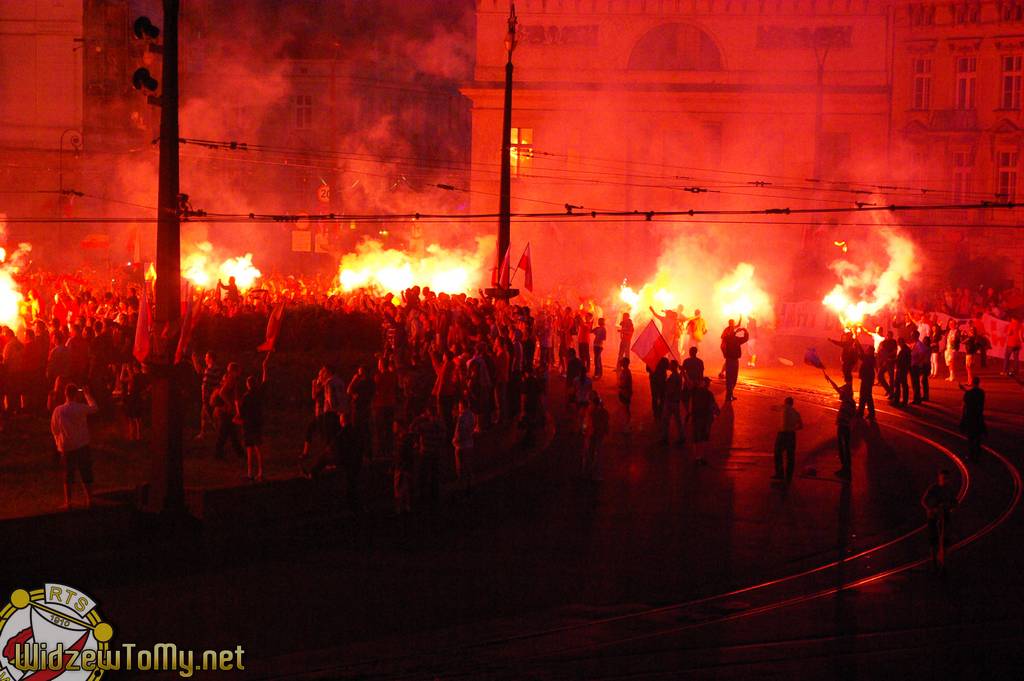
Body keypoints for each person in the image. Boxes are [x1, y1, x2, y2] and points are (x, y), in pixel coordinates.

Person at [50, 383, 99, 510]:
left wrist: (59, 444)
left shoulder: (58, 410)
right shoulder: (80, 408)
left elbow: (54, 429)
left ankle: (69, 502)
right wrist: (87, 394)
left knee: (68, 474)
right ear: (76, 394)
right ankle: (90, 499)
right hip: (82, 444)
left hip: (67, 447)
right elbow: (94, 408)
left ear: (65, 394)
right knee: (86, 472)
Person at [238, 353, 271, 483]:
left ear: (248, 385)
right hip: (257, 424)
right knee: (257, 449)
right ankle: (259, 472)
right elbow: (265, 381)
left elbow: (241, 412)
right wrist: (264, 367)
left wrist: (238, 417)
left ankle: (251, 473)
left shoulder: (246, 397)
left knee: (250, 450)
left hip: (248, 425)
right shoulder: (259, 393)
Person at [921, 469, 957, 574]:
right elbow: (923, 501)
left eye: (947, 478)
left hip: (945, 517)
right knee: (934, 541)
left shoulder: (949, 489)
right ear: (939, 478)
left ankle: (943, 563)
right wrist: (931, 509)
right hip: (933, 517)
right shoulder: (933, 488)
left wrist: (950, 506)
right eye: (943, 478)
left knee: (945, 541)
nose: (945, 480)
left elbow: (955, 502)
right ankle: (934, 563)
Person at [823, 371, 856, 481]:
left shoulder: (848, 402)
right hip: (845, 426)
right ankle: (846, 469)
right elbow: (837, 388)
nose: (840, 395)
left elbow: (839, 390)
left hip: (844, 426)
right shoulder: (850, 399)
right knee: (844, 447)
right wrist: (830, 380)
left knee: (843, 448)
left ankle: (845, 469)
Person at [689, 377, 719, 465]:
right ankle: (699, 457)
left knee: (698, 438)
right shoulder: (708, 394)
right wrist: (717, 412)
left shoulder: (695, 392)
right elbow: (713, 405)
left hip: (697, 418)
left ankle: (697, 457)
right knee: (702, 438)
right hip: (704, 419)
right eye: (708, 383)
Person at [773, 396, 803, 483]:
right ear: (792, 404)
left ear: (785, 402)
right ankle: (789, 476)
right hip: (792, 435)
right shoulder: (796, 413)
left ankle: (780, 473)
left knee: (778, 453)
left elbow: (774, 408)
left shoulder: (784, 407)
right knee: (790, 456)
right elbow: (801, 426)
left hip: (783, 434)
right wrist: (793, 428)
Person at [581, 392, 610, 481]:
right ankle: (597, 474)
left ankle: (586, 472)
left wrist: (584, 431)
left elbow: (586, 424)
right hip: (599, 435)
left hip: (591, 435)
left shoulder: (590, 412)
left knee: (589, 453)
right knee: (598, 453)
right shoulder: (604, 412)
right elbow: (606, 424)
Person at [720, 320, 749, 401]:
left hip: (734, 360)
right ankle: (728, 396)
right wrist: (743, 331)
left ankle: (730, 395)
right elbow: (725, 339)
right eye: (732, 328)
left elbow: (745, 338)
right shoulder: (728, 338)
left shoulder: (735, 339)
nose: (733, 328)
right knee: (730, 379)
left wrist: (744, 331)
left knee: (733, 379)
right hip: (730, 360)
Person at [959, 376, 986, 461]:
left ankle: (971, 455)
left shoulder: (968, 394)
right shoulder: (982, 393)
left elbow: (965, 405)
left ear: (972, 383)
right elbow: (974, 395)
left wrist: (962, 419)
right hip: (979, 417)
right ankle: (977, 454)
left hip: (970, 417)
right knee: (978, 437)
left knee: (970, 438)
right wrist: (965, 390)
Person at [452, 398, 475, 495]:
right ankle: (469, 485)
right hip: (469, 444)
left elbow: (459, 432)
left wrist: (454, 441)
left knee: (460, 468)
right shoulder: (471, 415)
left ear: (462, 405)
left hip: (461, 446)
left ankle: (462, 488)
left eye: (459, 405)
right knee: (468, 466)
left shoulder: (461, 418)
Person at [661, 360, 685, 446]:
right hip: (675, 401)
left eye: (671, 365)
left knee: (666, 420)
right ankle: (681, 437)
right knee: (677, 420)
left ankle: (665, 438)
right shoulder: (677, 376)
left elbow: (670, 390)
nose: (669, 366)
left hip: (671, 401)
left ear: (674, 366)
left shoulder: (674, 377)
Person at [910, 330, 930, 404]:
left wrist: (918, 362)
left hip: (915, 366)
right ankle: (917, 398)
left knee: (916, 382)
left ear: (916, 336)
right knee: (914, 382)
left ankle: (917, 399)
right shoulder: (915, 344)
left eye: (912, 335)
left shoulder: (919, 344)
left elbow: (923, 353)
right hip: (913, 365)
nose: (911, 336)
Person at [856, 344, 876, 419]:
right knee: (863, 395)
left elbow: (862, 355)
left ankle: (871, 413)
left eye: (868, 350)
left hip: (868, 379)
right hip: (866, 378)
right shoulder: (868, 357)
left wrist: (858, 344)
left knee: (867, 396)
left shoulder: (870, 357)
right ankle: (861, 412)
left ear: (871, 351)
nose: (866, 350)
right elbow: (861, 356)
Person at [876, 329, 897, 397]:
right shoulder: (884, 342)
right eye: (888, 335)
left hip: (891, 361)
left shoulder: (893, 342)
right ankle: (888, 390)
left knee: (891, 378)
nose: (888, 336)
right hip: (885, 362)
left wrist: (888, 356)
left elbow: (895, 351)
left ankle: (891, 392)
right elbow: (880, 350)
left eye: (890, 335)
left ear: (892, 336)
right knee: (879, 376)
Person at [648, 356, 669, 422]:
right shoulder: (665, 360)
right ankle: (660, 412)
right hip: (662, 381)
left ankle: (655, 413)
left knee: (654, 397)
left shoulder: (651, 359)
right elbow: (668, 367)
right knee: (662, 397)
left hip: (653, 381)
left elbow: (647, 369)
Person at [892, 337, 911, 407]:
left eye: (899, 342)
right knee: (902, 384)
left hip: (901, 369)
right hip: (903, 369)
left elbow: (901, 360)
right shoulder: (905, 349)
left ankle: (898, 400)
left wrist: (893, 361)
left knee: (898, 384)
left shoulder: (904, 350)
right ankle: (903, 400)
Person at [616, 356, 633, 432]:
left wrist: (621, 386)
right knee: (625, 408)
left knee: (625, 409)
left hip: (625, 392)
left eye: (623, 362)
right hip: (624, 392)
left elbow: (626, 383)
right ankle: (625, 424)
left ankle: (627, 425)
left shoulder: (626, 372)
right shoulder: (625, 371)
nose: (621, 363)